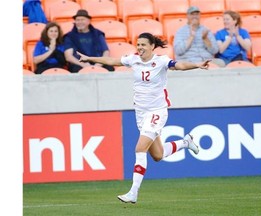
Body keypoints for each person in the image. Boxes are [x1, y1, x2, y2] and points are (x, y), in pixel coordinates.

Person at [77, 32, 210, 204]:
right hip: (140, 113)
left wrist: (197, 65)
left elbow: (180, 65)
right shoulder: (133, 59)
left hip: (157, 111)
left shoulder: (161, 61)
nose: (139, 47)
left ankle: (133, 192)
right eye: (138, 44)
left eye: (143, 45)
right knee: (157, 155)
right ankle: (185, 142)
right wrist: (89, 58)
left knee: (140, 149)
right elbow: (112, 61)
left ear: (152, 46)